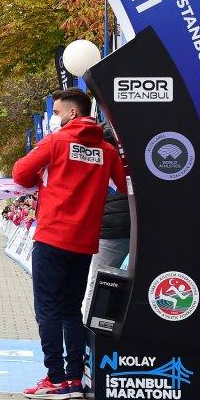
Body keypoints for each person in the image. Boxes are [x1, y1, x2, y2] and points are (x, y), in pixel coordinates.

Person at [13, 87, 126, 399]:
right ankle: (74, 379)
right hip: (85, 240)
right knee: (70, 310)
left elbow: (21, 173)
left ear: (72, 113)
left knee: (47, 309)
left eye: (58, 112)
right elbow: (123, 185)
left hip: (52, 236)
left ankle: (54, 378)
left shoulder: (55, 141)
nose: (55, 118)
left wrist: (43, 178)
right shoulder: (107, 150)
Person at [81, 122, 132, 318]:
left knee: (99, 280)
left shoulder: (98, 161)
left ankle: (90, 324)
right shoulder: (134, 159)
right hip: (135, 229)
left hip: (110, 231)